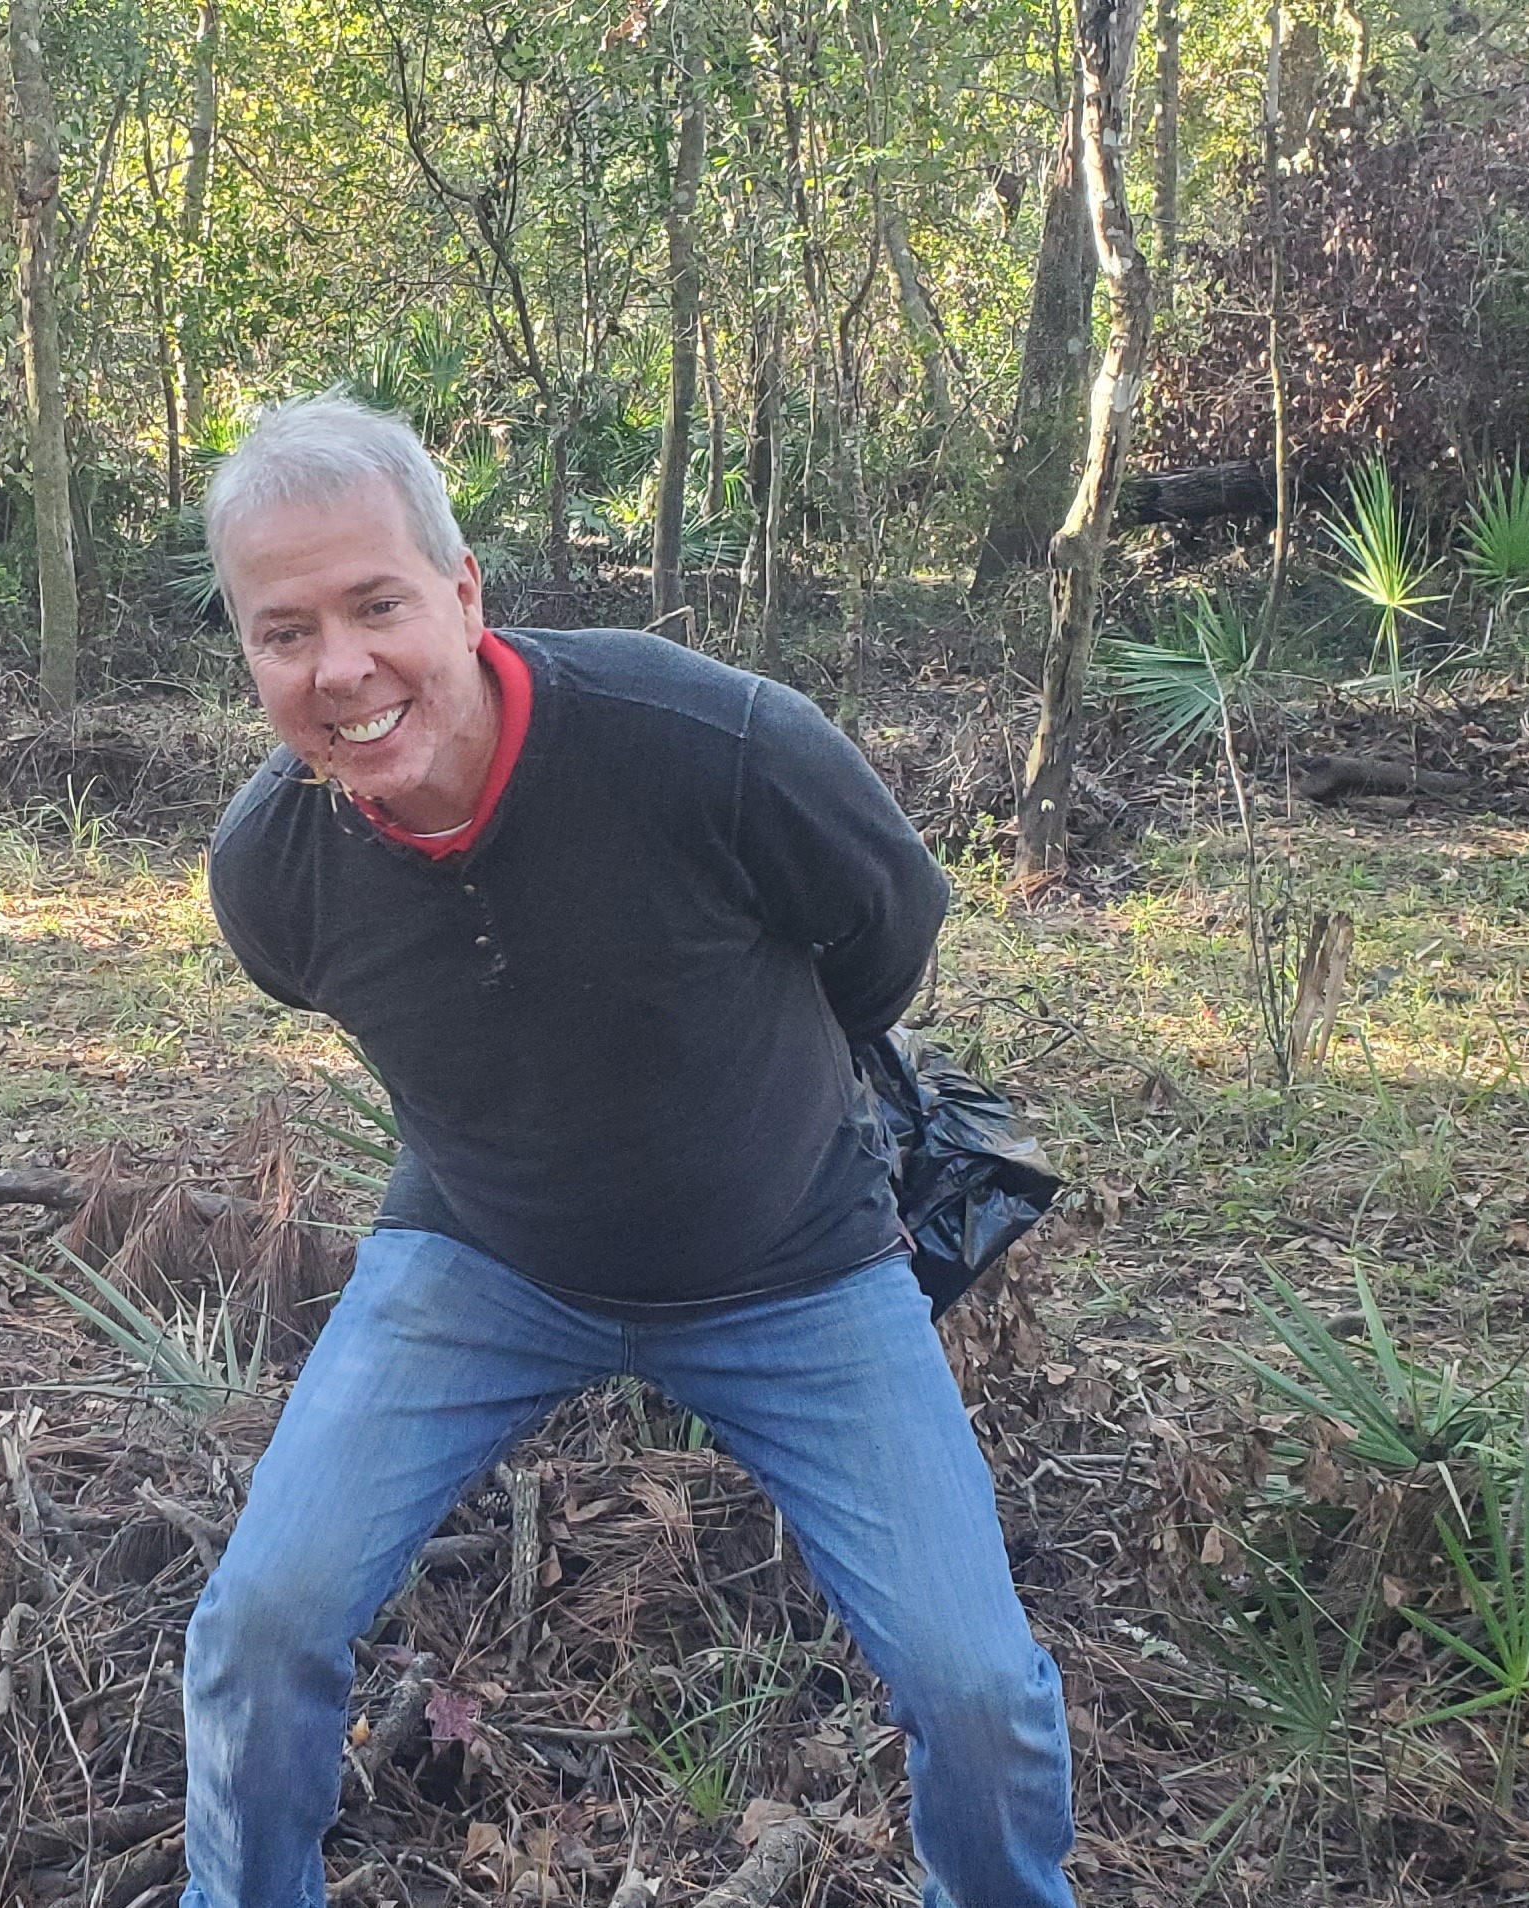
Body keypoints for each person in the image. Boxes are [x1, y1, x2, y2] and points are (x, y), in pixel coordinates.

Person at [181, 392, 1077, 1908]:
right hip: (482, 1261)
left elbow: (886, 935)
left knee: (979, 1694)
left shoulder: (706, 745)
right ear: (250, 652)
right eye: (285, 632)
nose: (340, 669)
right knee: (260, 1626)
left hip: (795, 1265)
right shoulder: (276, 875)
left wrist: (758, 1120)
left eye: (377, 603)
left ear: (464, 593)